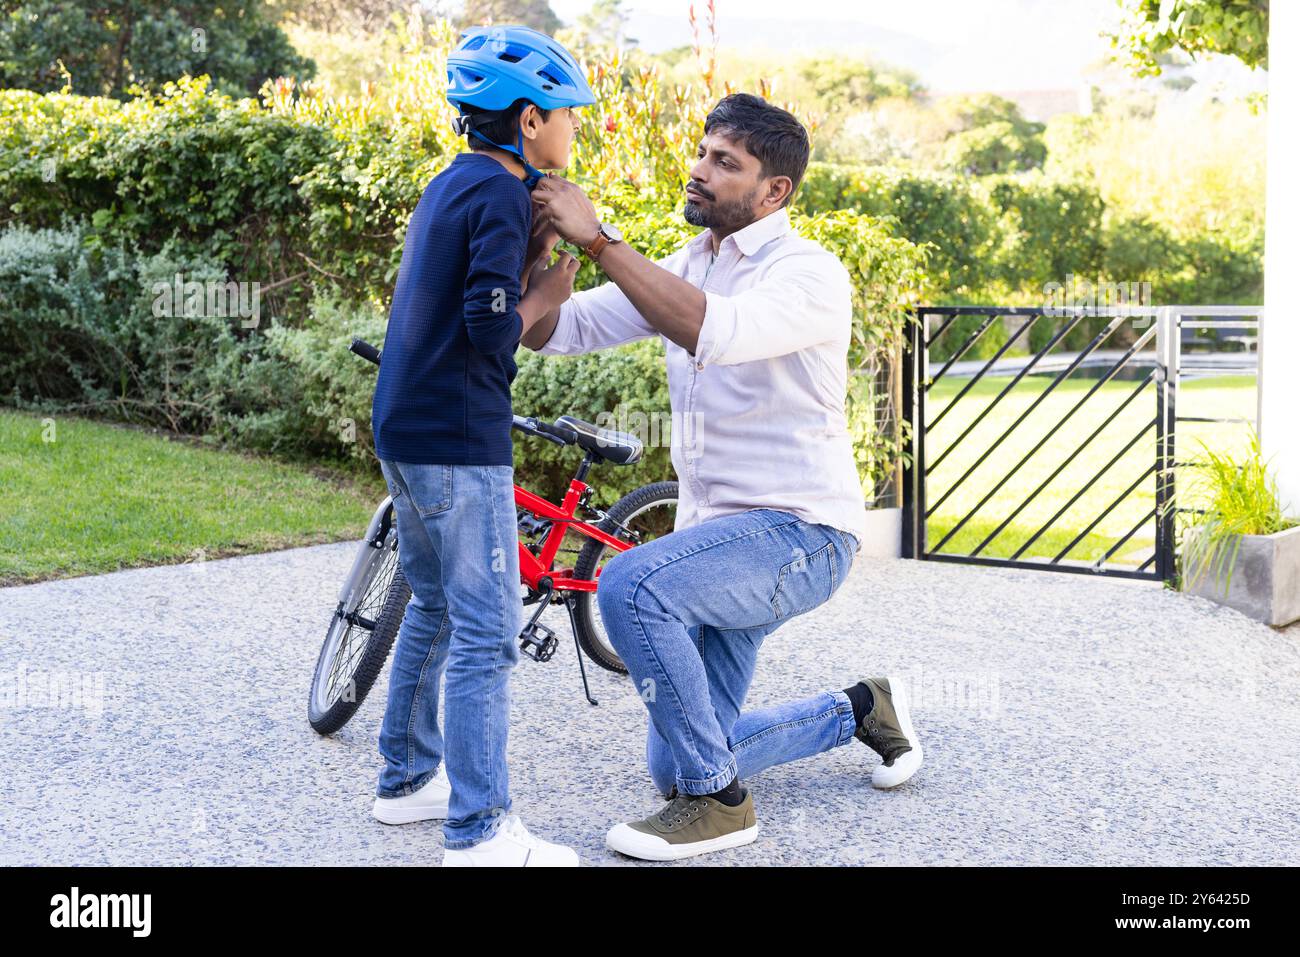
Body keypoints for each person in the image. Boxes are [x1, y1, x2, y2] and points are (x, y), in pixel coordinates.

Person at [527, 93, 924, 862]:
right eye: (703, 152)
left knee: (631, 585)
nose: (699, 171)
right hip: (715, 541)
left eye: (724, 163)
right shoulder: (692, 264)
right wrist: (540, 246)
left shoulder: (808, 273)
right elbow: (560, 329)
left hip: (800, 535)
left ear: (774, 191)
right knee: (672, 763)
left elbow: (719, 330)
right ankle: (860, 708)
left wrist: (603, 239)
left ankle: (720, 805)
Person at [368, 24, 588, 867]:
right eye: (566, 112)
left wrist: (528, 265)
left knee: (434, 604)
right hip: (459, 438)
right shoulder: (500, 194)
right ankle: (480, 830)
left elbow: (466, 296)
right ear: (529, 119)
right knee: (490, 630)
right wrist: (549, 289)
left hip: (406, 422)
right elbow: (491, 330)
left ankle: (406, 781)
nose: (573, 127)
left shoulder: (453, 184)